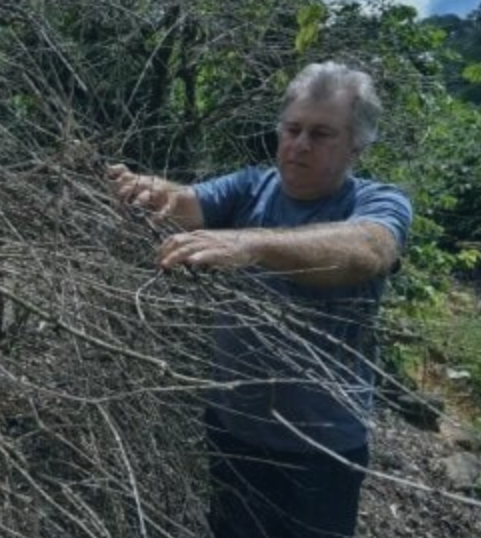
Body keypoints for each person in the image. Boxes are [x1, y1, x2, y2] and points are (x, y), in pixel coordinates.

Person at [107, 61, 413, 538]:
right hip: (234, 430)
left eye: (321, 134)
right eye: (292, 129)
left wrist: (250, 244)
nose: (300, 144)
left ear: (356, 145)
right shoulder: (253, 184)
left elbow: (368, 250)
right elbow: (186, 201)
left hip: (321, 448)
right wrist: (148, 191)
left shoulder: (377, 202)